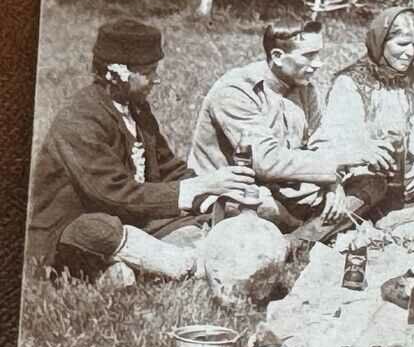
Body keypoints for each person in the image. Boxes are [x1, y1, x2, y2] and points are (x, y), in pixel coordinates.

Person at [26, 19, 255, 284]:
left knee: (196, 222)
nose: (156, 79)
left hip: (132, 219)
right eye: (148, 71)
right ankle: (189, 266)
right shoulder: (79, 119)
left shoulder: (138, 110)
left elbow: (169, 168)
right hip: (75, 229)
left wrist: (212, 195)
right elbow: (112, 193)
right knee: (98, 229)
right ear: (116, 74)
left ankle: (126, 268)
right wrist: (198, 187)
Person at [189, 20, 395, 244]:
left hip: (288, 187)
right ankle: (308, 234)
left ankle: (293, 242)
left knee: (372, 183)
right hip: (238, 191)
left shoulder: (305, 88)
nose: (319, 64)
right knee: (261, 206)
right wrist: (346, 157)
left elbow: (320, 142)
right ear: (277, 56)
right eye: (309, 55)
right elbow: (265, 162)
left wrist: (332, 185)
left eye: (319, 54)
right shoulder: (235, 91)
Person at [309, 7, 414, 235]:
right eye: (402, 44)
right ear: (380, 41)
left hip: (411, 174)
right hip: (367, 176)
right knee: (372, 191)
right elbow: (333, 142)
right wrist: (365, 151)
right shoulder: (350, 84)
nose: (409, 53)